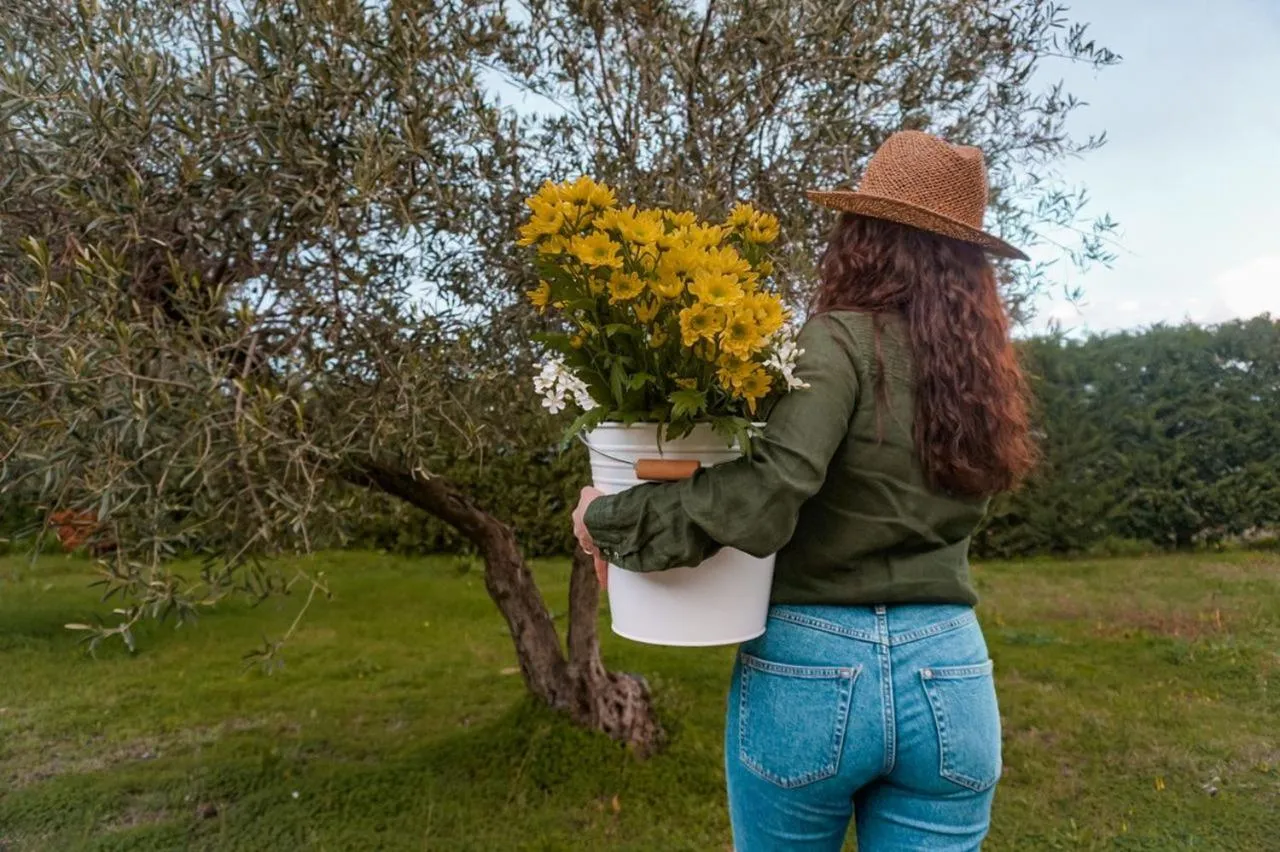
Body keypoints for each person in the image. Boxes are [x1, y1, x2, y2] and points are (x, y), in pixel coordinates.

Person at [571, 130, 1036, 851]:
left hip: (815, 670)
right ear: (969, 263)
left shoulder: (839, 341)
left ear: (862, 234)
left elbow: (767, 492)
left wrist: (610, 519)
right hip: (950, 666)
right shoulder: (979, 375)